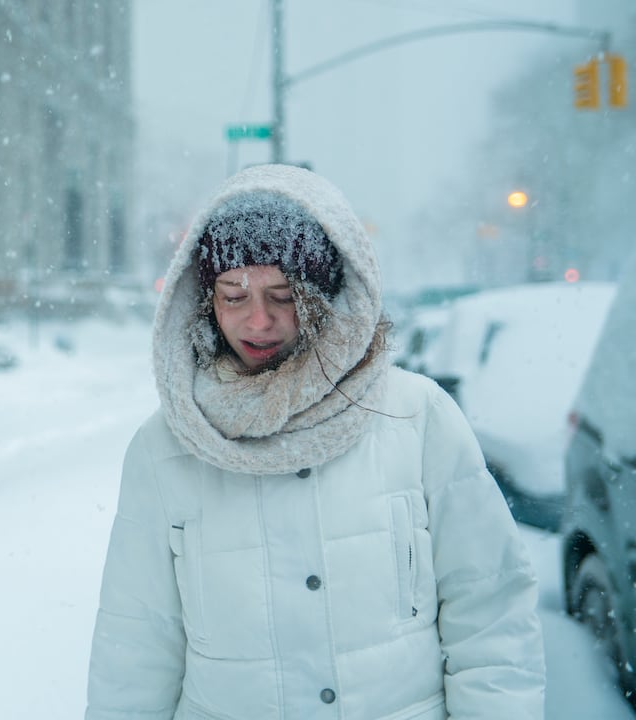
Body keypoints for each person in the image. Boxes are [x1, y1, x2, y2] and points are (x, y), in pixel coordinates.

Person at [85, 164, 545, 719]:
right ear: (207, 301)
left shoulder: (416, 417)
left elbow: (490, 613)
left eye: (283, 295)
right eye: (234, 295)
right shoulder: (165, 447)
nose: (259, 320)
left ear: (323, 295)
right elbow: (137, 647)